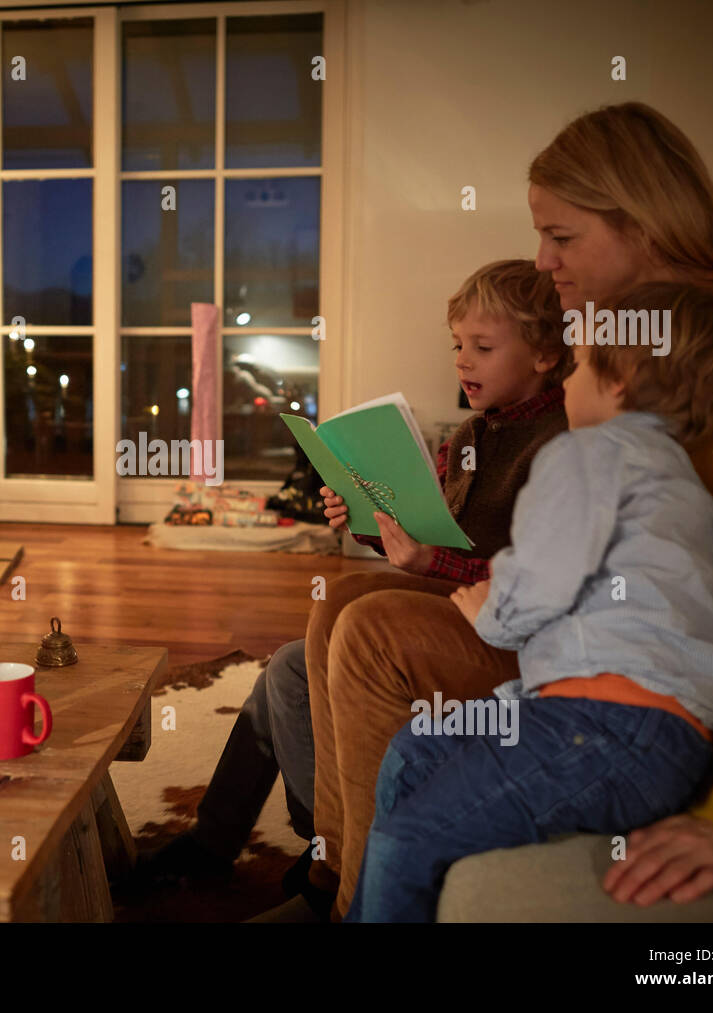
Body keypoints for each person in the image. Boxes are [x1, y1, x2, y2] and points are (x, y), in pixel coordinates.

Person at [302, 102, 713, 920]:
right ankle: (340, 878)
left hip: (666, 693)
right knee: (342, 604)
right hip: (634, 648)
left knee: (373, 635)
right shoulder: (622, 367)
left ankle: (364, 893)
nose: (542, 261)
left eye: (563, 236)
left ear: (643, 220)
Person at [130, 259, 568, 909]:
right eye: (457, 345)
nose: (463, 361)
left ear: (543, 355)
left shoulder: (560, 441)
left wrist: (428, 564)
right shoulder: (470, 435)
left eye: (483, 346)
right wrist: (367, 523)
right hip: (446, 603)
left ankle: (328, 858)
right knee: (285, 667)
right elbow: (432, 539)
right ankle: (224, 843)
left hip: (503, 628)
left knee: (314, 650)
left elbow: (531, 581)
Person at [345, 282, 713, 921]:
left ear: (622, 380)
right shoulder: (695, 494)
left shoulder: (591, 452)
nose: (568, 380)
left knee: (408, 837)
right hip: (665, 741)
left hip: (603, 729)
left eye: (580, 363)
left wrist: (490, 614)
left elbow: (541, 579)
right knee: (415, 749)